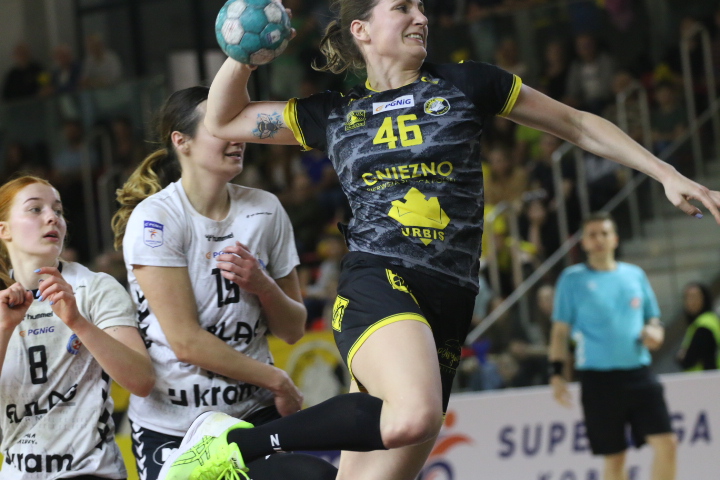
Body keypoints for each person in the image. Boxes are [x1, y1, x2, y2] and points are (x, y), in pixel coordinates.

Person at [161, 1, 720, 480]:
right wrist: (244, 55)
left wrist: (666, 173)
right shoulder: (333, 113)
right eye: (402, 7)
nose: (421, 16)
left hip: (450, 300)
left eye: (422, 7)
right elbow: (224, 120)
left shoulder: (467, 84)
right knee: (413, 415)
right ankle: (232, 444)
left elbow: (575, 123)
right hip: (379, 280)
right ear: (361, 29)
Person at [111, 86, 337, 480]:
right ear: (181, 141)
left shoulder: (266, 209)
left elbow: (292, 329)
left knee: (315, 475)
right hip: (176, 426)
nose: (237, 138)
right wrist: (277, 379)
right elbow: (186, 341)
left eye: (238, 126)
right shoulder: (156, 218)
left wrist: (263, 285)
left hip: (253, 414)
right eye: (220, 127)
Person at [0, 175, 155, 479]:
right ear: (3, 230)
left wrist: (77, 322)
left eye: (58, 210)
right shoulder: (2, 303)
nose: (52, 217)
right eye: (35, 209)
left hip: (91, 472)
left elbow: (142, 380)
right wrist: (4, 329)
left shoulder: (95, 287)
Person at [549, 212, 677, 480]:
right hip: (599, 380)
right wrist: (557, 373)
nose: (599, 239)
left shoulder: (635, 275)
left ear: (615, 239)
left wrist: (655, 331)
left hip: (638, 373)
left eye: (604, 233)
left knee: (667, 444)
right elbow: (560, 331)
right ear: (583, 242)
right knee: (615, 458)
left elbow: (653, 318)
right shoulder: (572, 279)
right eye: (592, 234)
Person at [677, 282, 720, 371]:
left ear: (704, 298)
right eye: (687, 297)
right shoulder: (703, 321)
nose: (690, 302)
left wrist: (682, 356)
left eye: (694, 297)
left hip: (705, 377)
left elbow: (689, 360)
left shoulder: (704, 325)